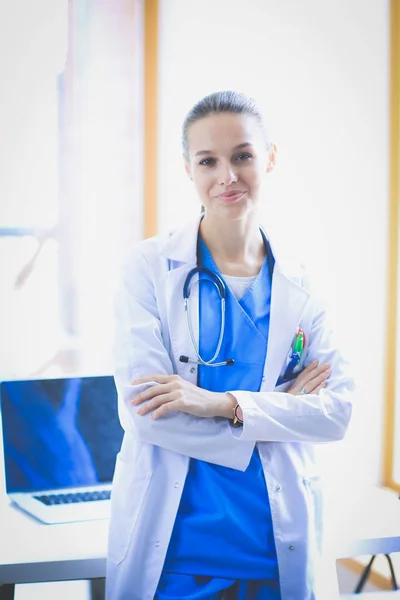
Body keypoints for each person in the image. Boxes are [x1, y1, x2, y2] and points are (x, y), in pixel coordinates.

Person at [106, 90, 354, 600]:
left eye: (242, 155)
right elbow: (147, 413)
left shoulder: (303, 279)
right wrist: (283, 411)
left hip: (272, 546)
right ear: (187, 169)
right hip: (175, 550)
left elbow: (336, 413)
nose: (227, 176)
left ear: (270, 158)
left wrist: (223, 404)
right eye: (208, 161)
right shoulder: (149, 268)